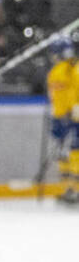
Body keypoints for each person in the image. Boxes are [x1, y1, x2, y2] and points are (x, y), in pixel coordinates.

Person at [46, 36, 79, 204]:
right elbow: (56, 95)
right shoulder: (57, 70)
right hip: (60, 116)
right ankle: (67, 187)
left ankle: (75, 188)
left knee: (75, 151)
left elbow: (74, 93)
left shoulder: (74, 69)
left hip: (72, 117)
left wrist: (73, 111)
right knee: (63, 153)